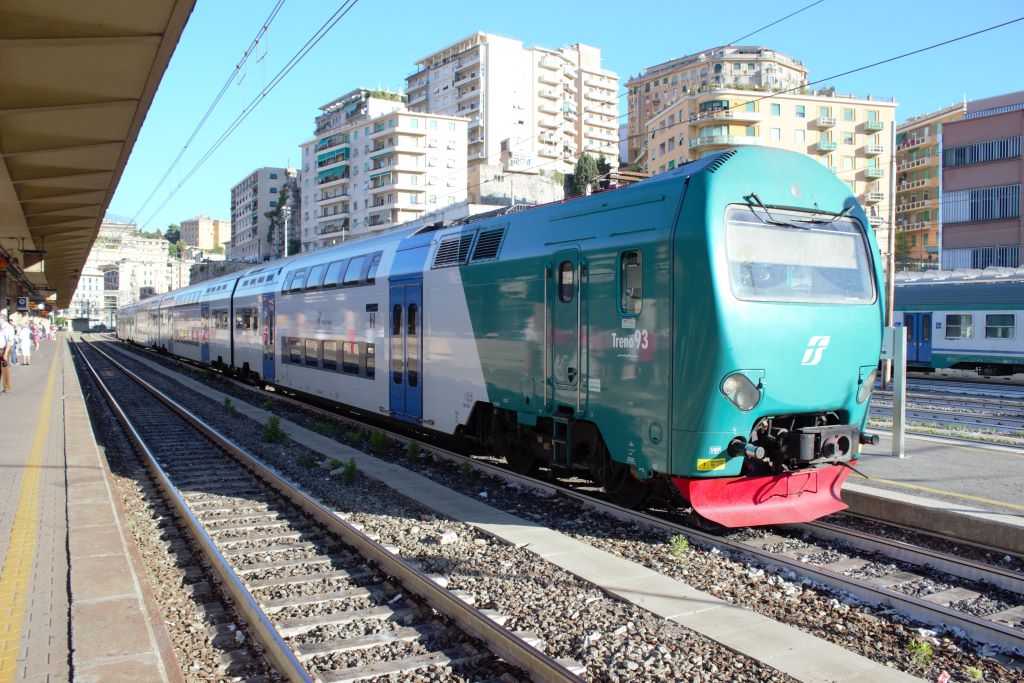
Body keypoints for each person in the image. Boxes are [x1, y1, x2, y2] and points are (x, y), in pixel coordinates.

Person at [0, 315, 13, 394]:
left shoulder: (8, 328)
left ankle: (7, 388)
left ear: (2, 319)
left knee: (5, 369)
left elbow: (9, 341)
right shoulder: (1, 327)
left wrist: (5, 353)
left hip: (4, 349)